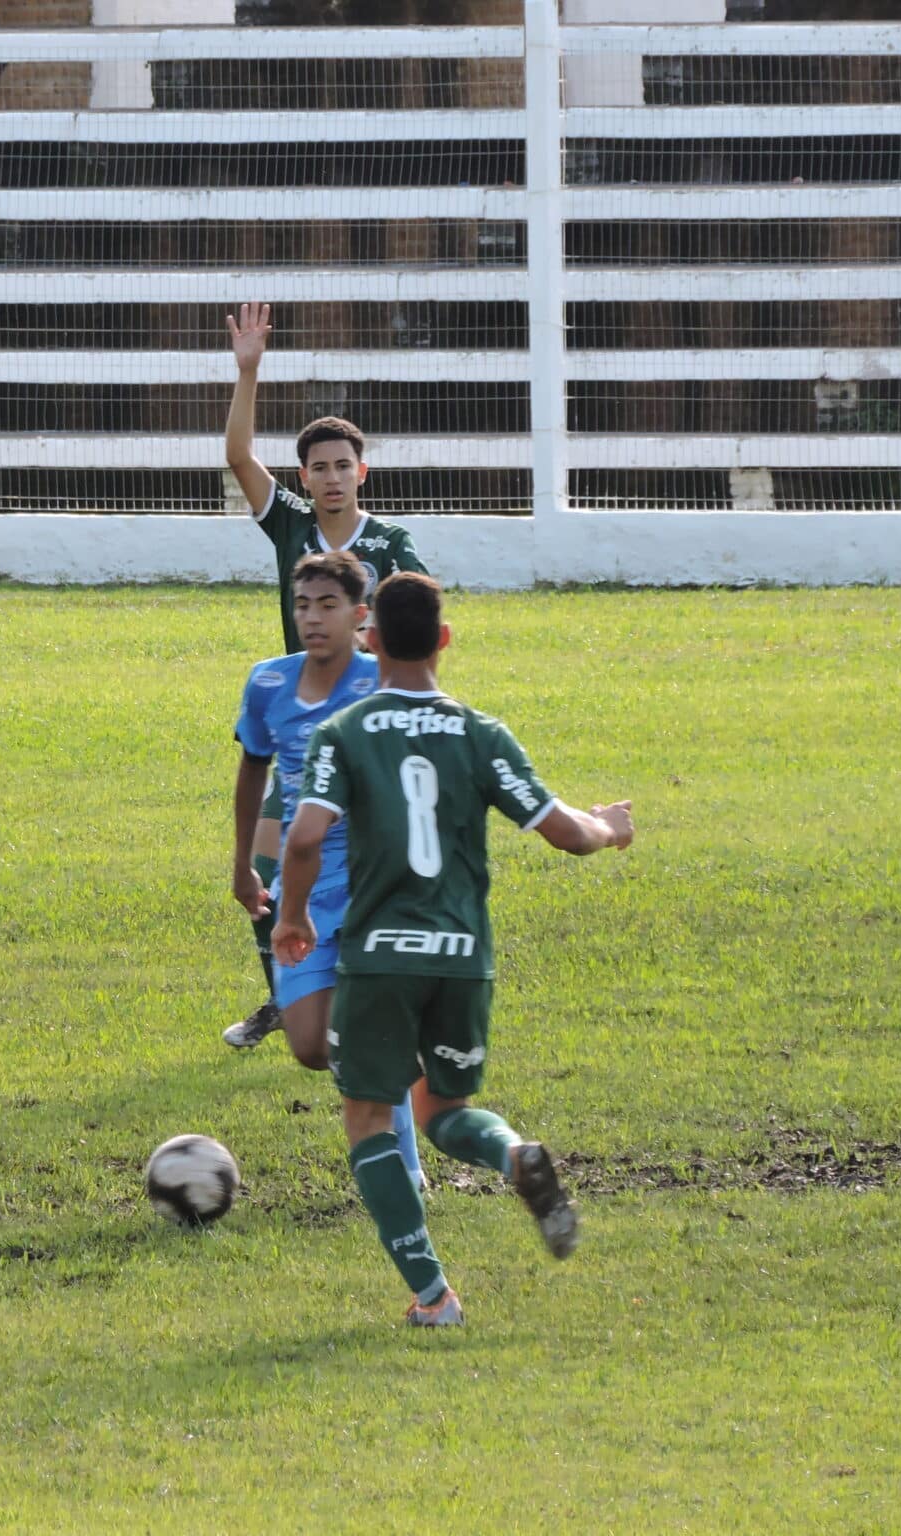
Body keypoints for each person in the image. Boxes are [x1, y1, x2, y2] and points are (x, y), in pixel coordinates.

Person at [274, 573, 634, 1327]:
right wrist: (610, 825)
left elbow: (303, 837)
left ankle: (434, 1297)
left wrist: (293, 917)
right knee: (444, 1111)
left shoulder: (344, 733)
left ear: (370, 639)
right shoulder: (481, 734)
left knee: (369, 1119)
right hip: (464, 957)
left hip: (380, 955)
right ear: (443, 640)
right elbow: (568, 833)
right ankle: (512, 1155)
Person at [220, 299, 430, 1052]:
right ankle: (288, 993)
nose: (333, 477)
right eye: (320, 467)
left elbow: (423, 630)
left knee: (368, 865)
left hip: (369, 727)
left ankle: (380, 989)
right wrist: (249, 372)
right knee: (265, 863)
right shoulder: (291, 525)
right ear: (304, 478)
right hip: (301, 727)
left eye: (344, 465)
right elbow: (239, 457)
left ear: (361, 472)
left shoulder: (392, 542)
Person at [232, 551, 424, 1189]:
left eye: (328, 605)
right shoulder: (268, 682)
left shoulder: (384, 681)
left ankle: (401, 1162)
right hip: (304, 886)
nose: (312, 618)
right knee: (313, 1046)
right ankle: (395, 1058)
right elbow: (252, 770)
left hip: (378, 882)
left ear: (359, 616)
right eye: (303, 605)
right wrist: (243, 866)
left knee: (364, 1024)